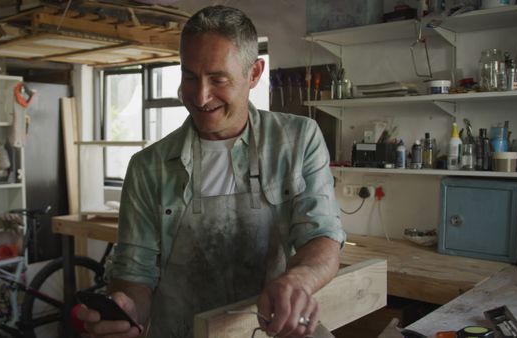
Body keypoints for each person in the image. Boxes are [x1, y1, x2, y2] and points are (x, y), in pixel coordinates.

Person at [76, 5, 345, 338]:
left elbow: (321, 236)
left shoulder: (298, 140)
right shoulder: (149, 167)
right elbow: (135, 273)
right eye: (190, 76)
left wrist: (296, 281)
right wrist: (129, 307)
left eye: (218, 79)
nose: (201, 97)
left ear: (255, 73)